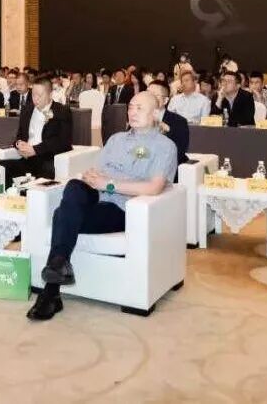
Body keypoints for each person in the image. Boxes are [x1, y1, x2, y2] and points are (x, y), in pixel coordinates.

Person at [27, 92, 178, 320]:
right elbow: (96, 173)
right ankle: (58, 266)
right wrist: (92, 178)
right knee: (75, 187)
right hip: (96, 196)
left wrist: (108, 184)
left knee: (61, 215)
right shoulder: (116, 139)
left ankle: (50, 292)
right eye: (131, 107)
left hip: (123, 207)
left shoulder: (164, 146)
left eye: (140, 108)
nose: (132, 112)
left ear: (155, 113)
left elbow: (154, 187)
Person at [0, 76, 72, 181]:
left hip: (48, 159)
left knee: (46, 171)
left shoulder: (61, 111)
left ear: (50, 94)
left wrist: (35, 150)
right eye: (34, 94)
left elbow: (63, 141)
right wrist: (19, 144)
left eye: (39, 95)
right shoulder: (27, 110)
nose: (36, 98)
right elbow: (19, 136)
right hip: (27, 159)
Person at [146, 80, 191, 177]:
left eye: (154, 95)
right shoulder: (139, 118)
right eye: (147, 94)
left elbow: (179, 152)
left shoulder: (179, 122)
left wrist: (165, 129)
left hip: (167, 173)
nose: (149, 98)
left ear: (165, 100)